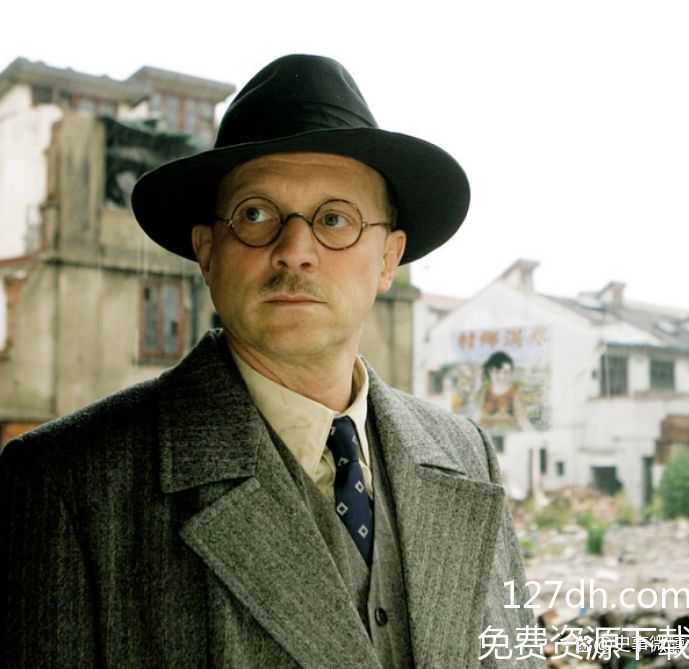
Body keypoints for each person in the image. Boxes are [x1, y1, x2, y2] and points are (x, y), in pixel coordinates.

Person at [1, 55, 540, 668]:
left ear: (388, 259)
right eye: (256, 214)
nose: (294, 250)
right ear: (207, 252)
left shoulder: (464, 455)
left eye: (334, 219)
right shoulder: (67, 484)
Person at [478, 350, 534, 432]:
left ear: (511, 373)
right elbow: (477, 416)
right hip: (486, 434)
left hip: (510, 435)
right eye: (497, 372)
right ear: (490, 372)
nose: (501, 377)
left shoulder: (515, 393)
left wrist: (533, 435)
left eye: (506, 372)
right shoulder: (484, 392)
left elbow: (522, 419)